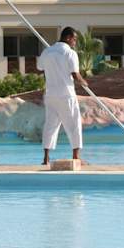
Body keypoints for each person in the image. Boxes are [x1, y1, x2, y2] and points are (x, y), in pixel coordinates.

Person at [38, 26, 88, 166]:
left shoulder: (47, 52)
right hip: (66, 95)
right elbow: (75, 74)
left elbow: (40, 68)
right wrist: (84, 82)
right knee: (74, 124)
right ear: (67, 38)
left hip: (51, 95)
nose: (75, 42)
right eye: (74, 39)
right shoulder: (70, 53)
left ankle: (46, 158)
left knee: (50, 125)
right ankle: (76, 157)